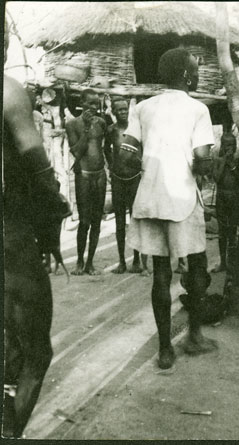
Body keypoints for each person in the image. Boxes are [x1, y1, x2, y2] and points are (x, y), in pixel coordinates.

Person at [122, 48, 217, 369]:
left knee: (160, 275)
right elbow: (203, 160)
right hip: (183, 198)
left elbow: (126, 154)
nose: (199, 75)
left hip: (149, 199)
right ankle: (194, 336)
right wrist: (210, 167)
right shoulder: (198, 109)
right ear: (188, 76)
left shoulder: (143, 107)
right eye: (196, 71)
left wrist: (148, 165)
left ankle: (165, 350)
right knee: (198, 265)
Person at [3, 26, 70, 438]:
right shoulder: (9, 91)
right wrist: (54, 210)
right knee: (34, 352)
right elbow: (39, 170)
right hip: (8, 233)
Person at [104, 98, 149, 275]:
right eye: (119, 110)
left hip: (134, 179)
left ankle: (137, 260)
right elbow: (106, 149)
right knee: (120, 222)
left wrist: (140, 164)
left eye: (125, 109)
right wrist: (111, 164)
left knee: (135, 220)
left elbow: (145, 149)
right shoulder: (111, 130)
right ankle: (122, 262)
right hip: (117, 180)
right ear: (114, 112)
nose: (123, 112)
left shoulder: (136, 128)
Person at [66, 89, 107, 275]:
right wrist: (87, 129)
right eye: (91, 103)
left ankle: (90, 262)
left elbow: (101, 148)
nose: (94, 107)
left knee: (97, 220)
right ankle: (79, 262)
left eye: (96, 104)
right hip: (83, 174)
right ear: (82, 103)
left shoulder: (102, 123)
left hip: (100, 175)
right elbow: (77, 152)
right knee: (84, 221)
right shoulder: (72, 124)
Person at [211, 132, 239, 273]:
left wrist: (232, 166)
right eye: (225, 145)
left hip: (234, 198)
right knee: (222, 232)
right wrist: (225, 161)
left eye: (231, 144)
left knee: (232, 231)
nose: (228, 148)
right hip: (221, 198)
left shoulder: (238, 161)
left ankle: (232, 263)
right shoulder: (218, 159)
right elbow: (217, 178)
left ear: (235, 145)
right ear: (222, 145)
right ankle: (223, 262)